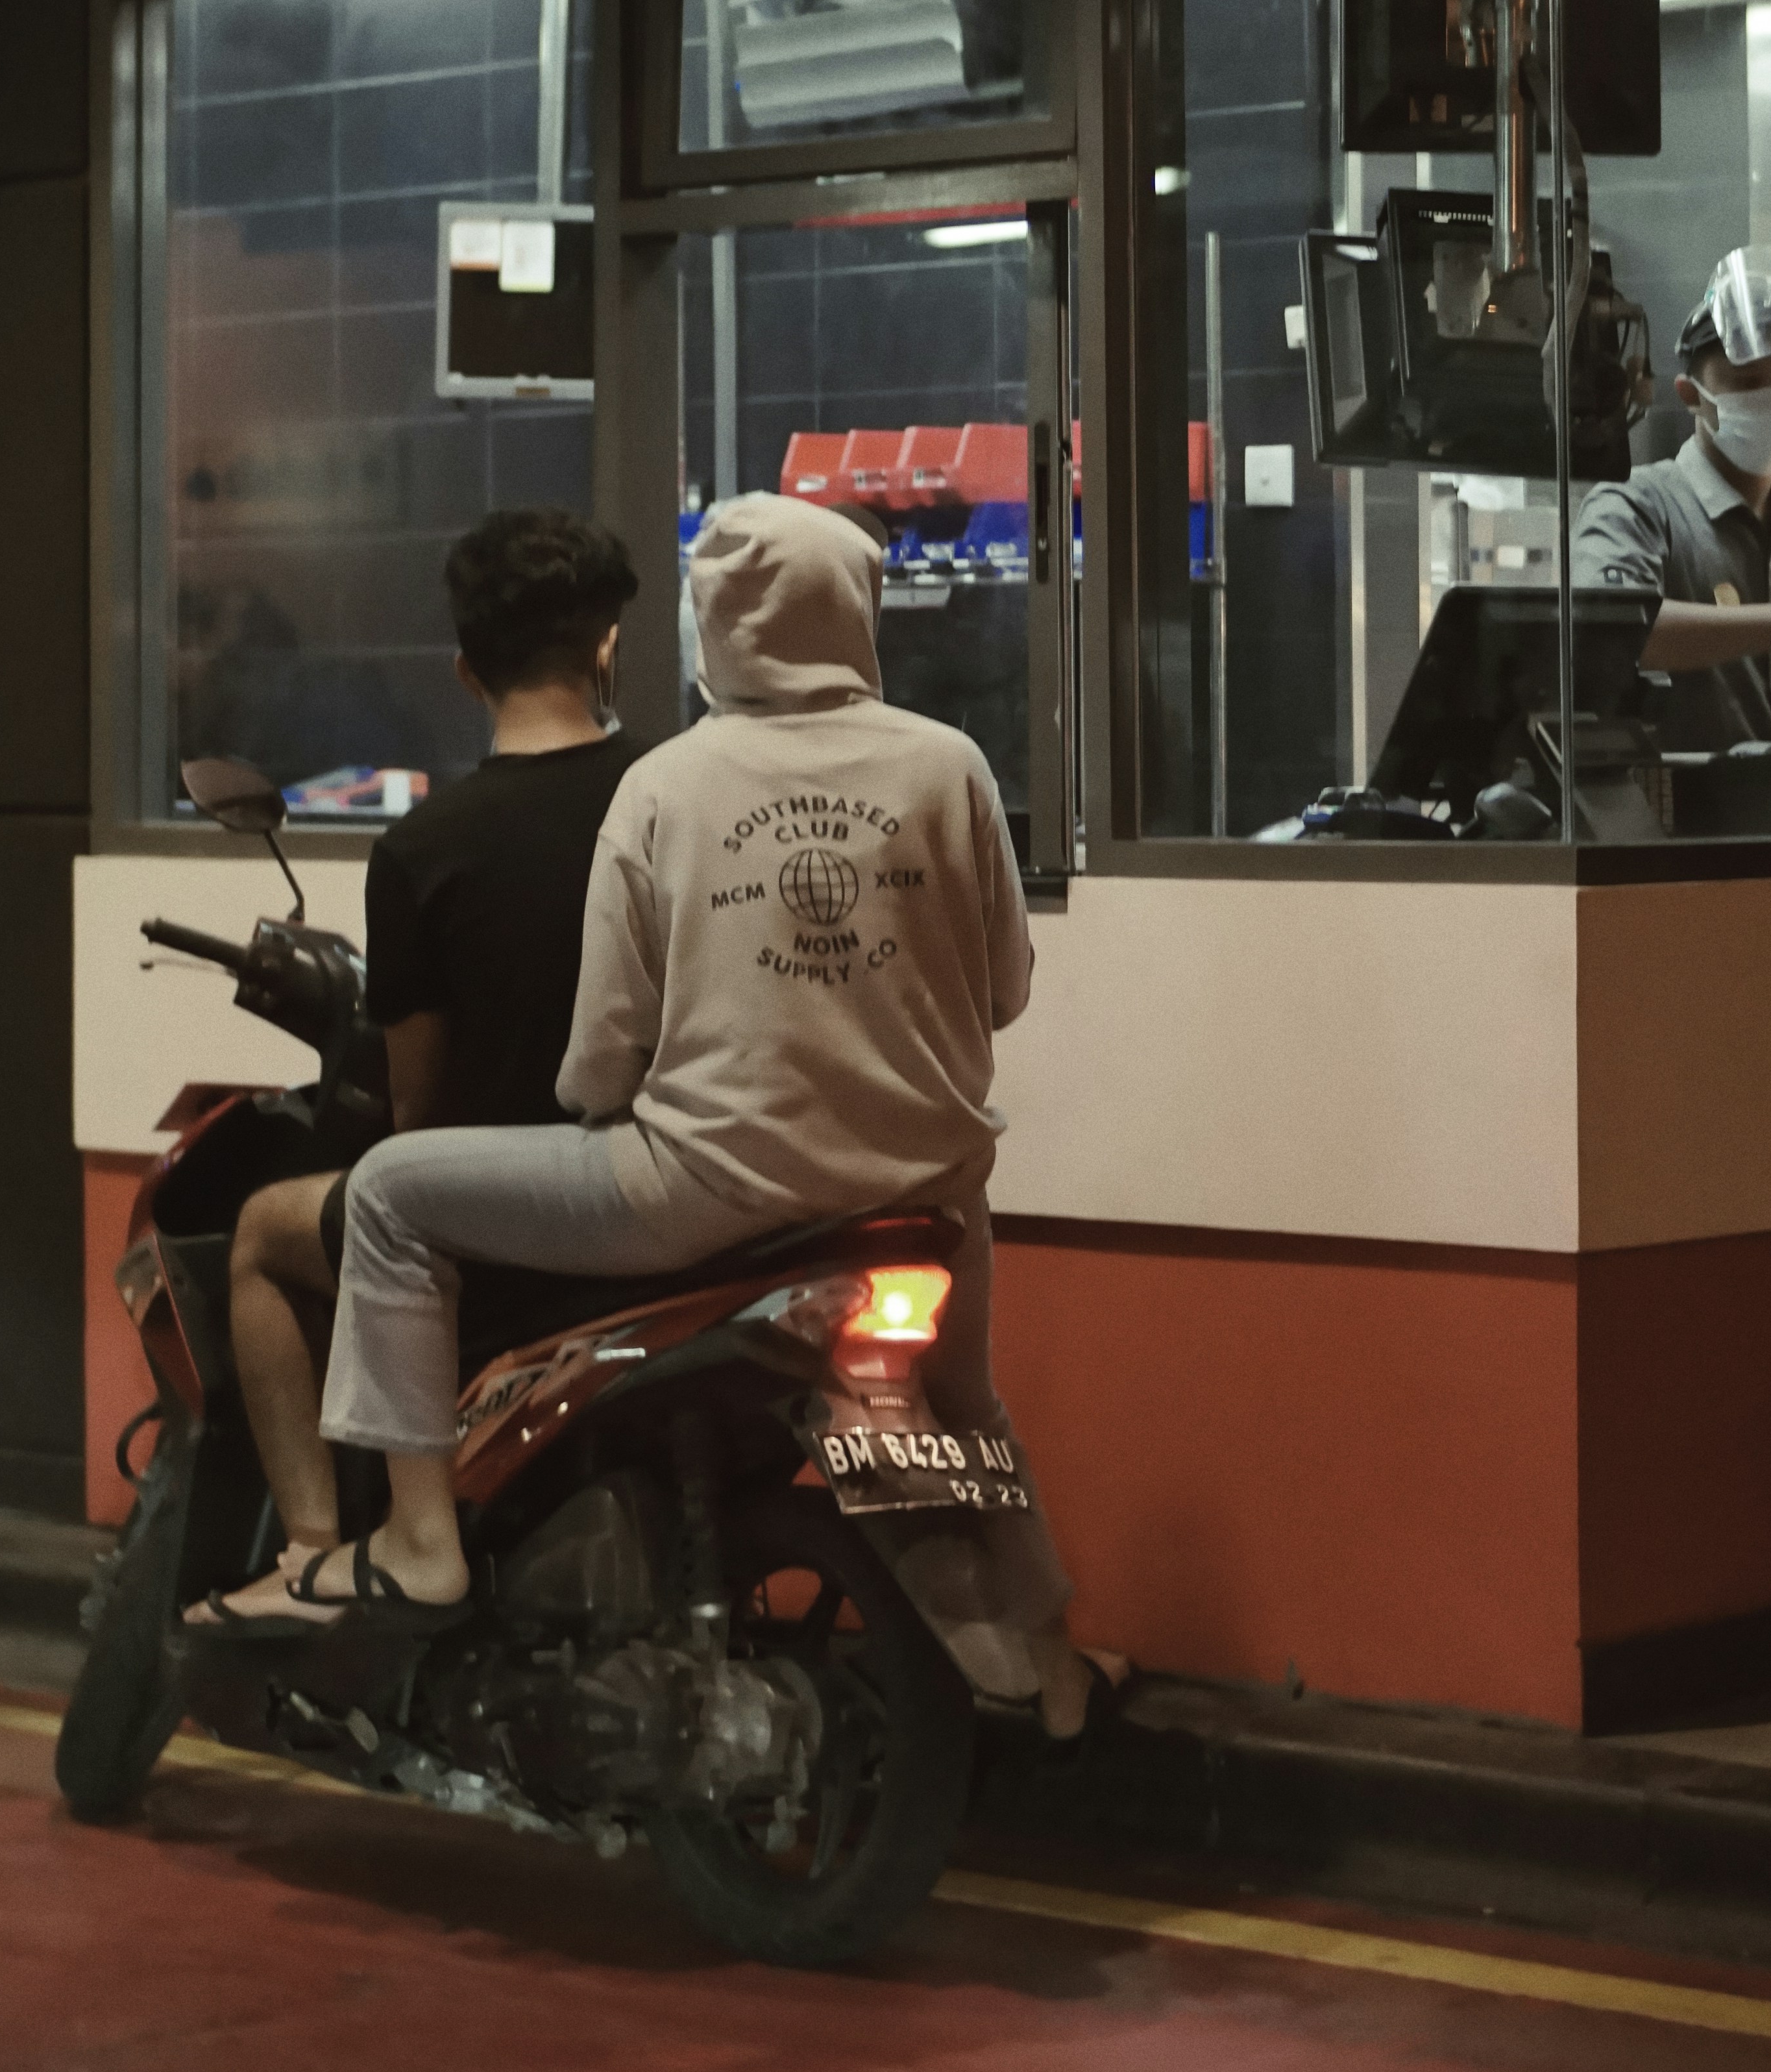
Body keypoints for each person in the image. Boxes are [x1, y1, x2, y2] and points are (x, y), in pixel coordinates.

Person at [286, 489, 1110, 1736]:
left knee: (394, 1191)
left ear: (711, 625)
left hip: (705, 1197)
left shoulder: (669, 788)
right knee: (971, 1411)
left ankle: (414, 1538)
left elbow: (602, 1059)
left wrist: (605, 1108)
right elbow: (1003, 990)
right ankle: (1054, 1669)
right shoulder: (950, 766)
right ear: (858, 604)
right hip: (923, 1196)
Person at [193, 508, 642, 1627]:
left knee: (260, 1234)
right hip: (665, 1195)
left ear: (463, 671)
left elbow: (419, 1105)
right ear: (607, 646)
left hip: (503, 1228)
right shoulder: (668, 801)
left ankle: (313, 1551)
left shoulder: (425, 851)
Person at [1575, 243, 1771, 749]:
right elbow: (1622, 631)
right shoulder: (1637, 509)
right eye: (1749, 381)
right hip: (1680, 818)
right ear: (1691, 395)